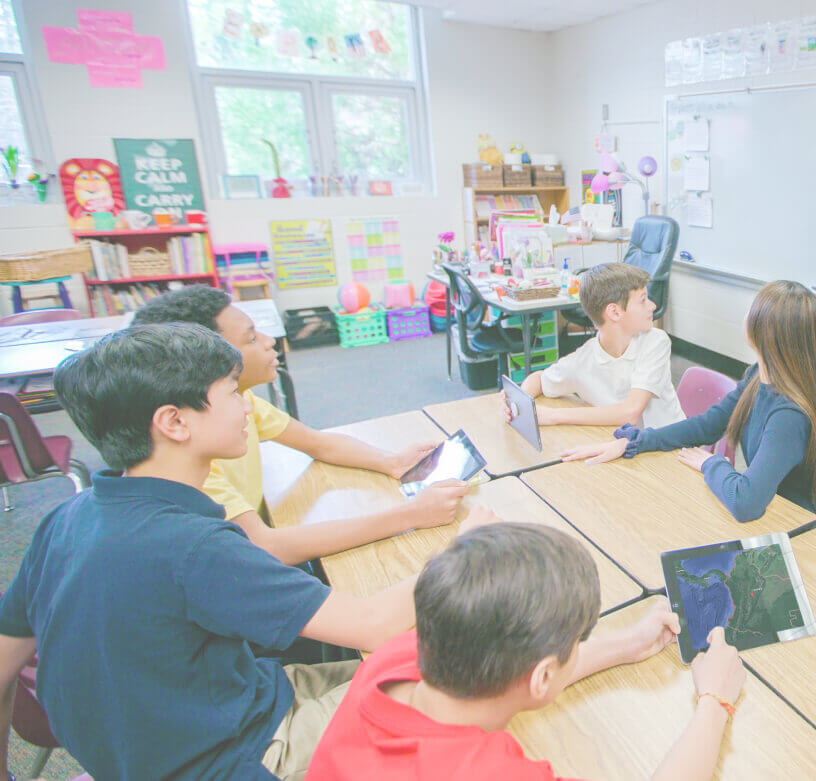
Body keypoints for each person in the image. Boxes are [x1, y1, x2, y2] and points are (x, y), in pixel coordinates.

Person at [0, 324, 494, 780]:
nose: (245, 407)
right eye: (233, 393)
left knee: (439, 660)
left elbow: (4, 662)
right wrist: (469, 546)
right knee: (477, 683)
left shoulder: (68, 517)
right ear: (174, 421)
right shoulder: (194, 546)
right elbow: (371, 623)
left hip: (211, 714)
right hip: (238, 755)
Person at [306, 523, 747, 780]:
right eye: (577, 643)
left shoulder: (403, 655)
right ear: (541, 677)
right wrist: (715, 700)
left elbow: (516, 673)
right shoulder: (488, 772)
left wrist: (630, 643)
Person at [132, 287, 469, 566]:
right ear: (204, 354)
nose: (269, 342)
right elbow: (263, 546)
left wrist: (390, 461)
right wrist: (408, 515)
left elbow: (318, 443)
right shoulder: (193, 458)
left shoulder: (238, 402)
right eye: (251, 339)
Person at [559, 280, 816, 523]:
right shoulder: (759, 376)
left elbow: (746, 503)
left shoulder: (788, 415)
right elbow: (707, 426)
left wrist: (711, 464)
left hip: (799, 529)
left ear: (765, 332)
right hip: (772, 510)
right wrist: (635, 443)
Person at [508, 262, 684, 429]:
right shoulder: (585, 357)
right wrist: (519, 403)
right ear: (614, 312)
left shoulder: (655, 341)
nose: (653, 306)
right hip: (624, 445)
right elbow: (539, 379)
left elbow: (631, 412)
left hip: (669, 450)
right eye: (643, 300)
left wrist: (554, 415)